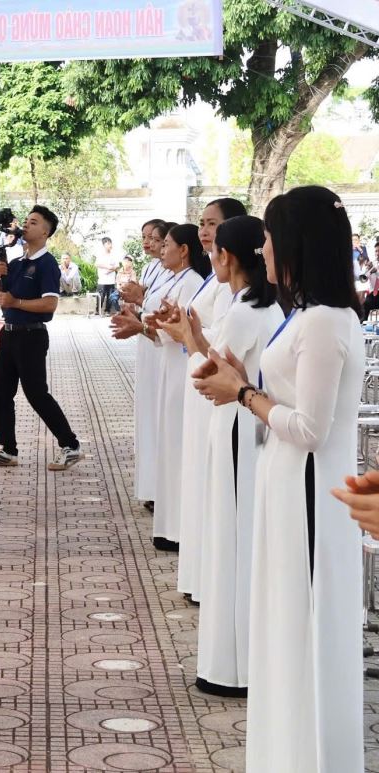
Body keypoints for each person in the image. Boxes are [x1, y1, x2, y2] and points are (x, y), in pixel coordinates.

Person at [194, 186, 363, 772]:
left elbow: (311, 428)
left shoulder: (325, 321)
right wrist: (243, 380)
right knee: (283, 622)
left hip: (309, 487)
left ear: (295, 243)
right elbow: (286, 398)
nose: (262, 248)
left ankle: (308, 756)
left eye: (268, 237)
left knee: (304, 625)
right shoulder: (309, 316)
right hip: (287, 481)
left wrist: (243, 393)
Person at [164, 215, 280, 698]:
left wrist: (189, 340)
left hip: (237, 426)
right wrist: (194, 338)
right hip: (248, 427)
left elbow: (210, 374)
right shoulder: (265, 307)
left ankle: (231, 665)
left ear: (226, 256)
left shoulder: (245, 310)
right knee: (237, 537)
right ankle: (235, 659)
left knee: (231, 539)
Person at [170, 198, 245, 601]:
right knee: (199, 478)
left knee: (211, 483)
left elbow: (222, 343)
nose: (203, 231)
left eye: (212, 224)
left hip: (219, 388)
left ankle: (208, 580)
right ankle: (199, 574)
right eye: (201, 223)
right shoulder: (214, 277)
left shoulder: (237, 290)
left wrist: (189, 334)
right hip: (200, 377)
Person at [0, 206, 83, 471]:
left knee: (36, 394)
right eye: (26, 221)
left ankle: (71, 445)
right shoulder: (16, 263)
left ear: (46, 232)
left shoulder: (46, 264)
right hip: (8, 334)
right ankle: (7, 450)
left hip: (31, 336)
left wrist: (17, 302)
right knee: (1, 393)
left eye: (34, 222)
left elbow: (50, 304)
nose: (26, 225)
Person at [141, 224, 210, 552]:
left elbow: (189, 329)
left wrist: (156, 324)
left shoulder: (193, 281)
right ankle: (168, 525)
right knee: (169, 442)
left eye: (166, 243)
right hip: (170, 363)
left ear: (184, 250)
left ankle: (178, 527)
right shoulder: (176, 278)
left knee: (178, 444)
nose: (161, 248)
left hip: (186, 365)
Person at [112, 220, 173, 510]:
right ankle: (150, 486)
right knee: (147, 416)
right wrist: (133, 308)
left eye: (157, 239)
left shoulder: (182, 275)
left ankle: (162, 489)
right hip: (149, 345)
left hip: (165, 349)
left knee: (161, 418)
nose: (149, 243)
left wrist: (142, 299)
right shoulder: (150, 268)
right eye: (145, 237)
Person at [95, 237, 119, 314]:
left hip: (111, 280)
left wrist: (110, 270)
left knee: (110, 296)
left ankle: (107, 311)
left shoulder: (114, 255)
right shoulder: (100, 255)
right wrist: (107, 266)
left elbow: (117, 266)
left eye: (110, 243)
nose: (110, 245)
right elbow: (97, 264)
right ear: (104, 245)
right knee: (101, 295)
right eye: (108, 243)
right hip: (102, 280)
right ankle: (98, 310)